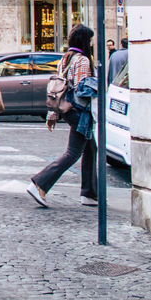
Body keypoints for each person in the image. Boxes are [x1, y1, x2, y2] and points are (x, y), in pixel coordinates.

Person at [27, 24, 99, 208]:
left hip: (68, 111)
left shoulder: (65, 59)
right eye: (89, 40)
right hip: (80, 112)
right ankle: (40, 183)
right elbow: (83, 89)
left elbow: (58, 89)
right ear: (84, 41)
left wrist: (53, 113)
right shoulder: (82, 60)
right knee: (73, 153)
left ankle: (89, 193)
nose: (91, 44)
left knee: (90, 148)